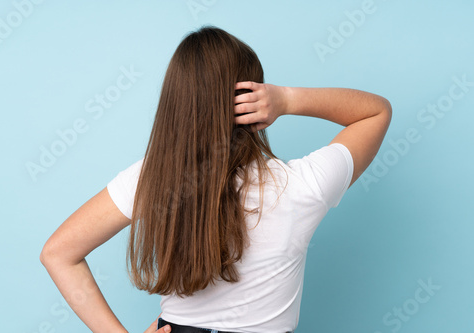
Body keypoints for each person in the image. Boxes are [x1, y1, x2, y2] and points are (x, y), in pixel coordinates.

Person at [40, 25, 391, 333]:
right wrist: (287, 99)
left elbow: (58, 253)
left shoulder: (154, 177)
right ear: (253, 97)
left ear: (176, 103)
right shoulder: (301, 184)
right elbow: (376, 112)